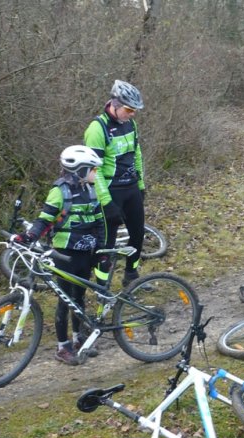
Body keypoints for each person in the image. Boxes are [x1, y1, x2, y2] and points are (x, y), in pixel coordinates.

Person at [14, 146, 105, 365]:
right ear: (80, 170)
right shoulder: (60, 191)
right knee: (65, 299)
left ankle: (78, 339)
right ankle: (62, 347)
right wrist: (28, 237)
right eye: (92, 169)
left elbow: (99, 222)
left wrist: (102, 250)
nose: (95, 173)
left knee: (80, 297)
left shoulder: (91, 190)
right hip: (64, 253)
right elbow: (44, 220)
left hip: (87, 253)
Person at [84, 80, 146, 287]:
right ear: (115, 105)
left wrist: (141, 184)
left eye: (135, 110)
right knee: (106, 247)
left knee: (137, 236)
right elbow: (94, 170)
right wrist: (106, 202)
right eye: (129, 109)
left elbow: (136, 153)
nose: (132, 114)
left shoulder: (130, 124)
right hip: (110, 192)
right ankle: (102, 288)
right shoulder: (97, 129)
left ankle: (131, 277)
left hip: (131, 189)